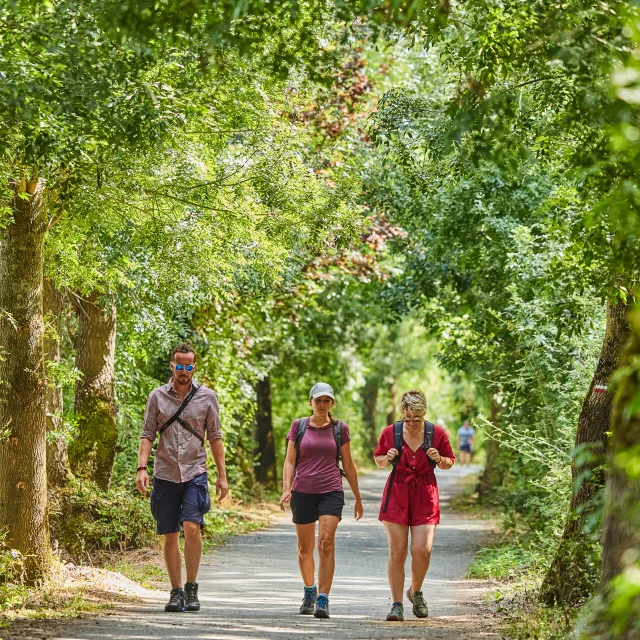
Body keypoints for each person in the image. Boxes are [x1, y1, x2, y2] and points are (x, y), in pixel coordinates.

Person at [136, 343, 228, 613]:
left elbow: (215, 437)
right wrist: (142, 468)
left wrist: (222, 476)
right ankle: (175, 592)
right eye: (179, 365)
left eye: (188, 366)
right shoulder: (156, 397)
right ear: (172, 365)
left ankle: (191, 588)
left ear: (194, 367)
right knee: (170, 534)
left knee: (191, 527)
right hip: (164, 473)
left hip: (195, 472)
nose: (183, 371)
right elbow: (147, 434)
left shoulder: (208, 397)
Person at [280, 382, 364, 619]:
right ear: (311, 401)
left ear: (332, 404)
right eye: (318, 400)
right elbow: (289, 460)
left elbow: (348, 464)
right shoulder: (299, 426)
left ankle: (324, 597)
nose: (322, 404)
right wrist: (287, 488)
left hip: (331, 491)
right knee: (304, 549)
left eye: (327, 400)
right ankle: (309, 591)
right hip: (303, 491)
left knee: (326, 542)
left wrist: (357, 498)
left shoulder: (340, 429)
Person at [374, 389, 455, 621]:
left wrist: (439, 458)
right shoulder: (391, 432)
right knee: (397, 551)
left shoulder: (436, 433)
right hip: (397, 491)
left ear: (424, 414)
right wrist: (387, 458)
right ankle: (397, 604)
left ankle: (416, 591)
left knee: (422, 549)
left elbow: (449, 462)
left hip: (425, 492)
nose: (411, 423)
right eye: (407, 418)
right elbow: (378, 460)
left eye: (416, 419)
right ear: (402, 413)